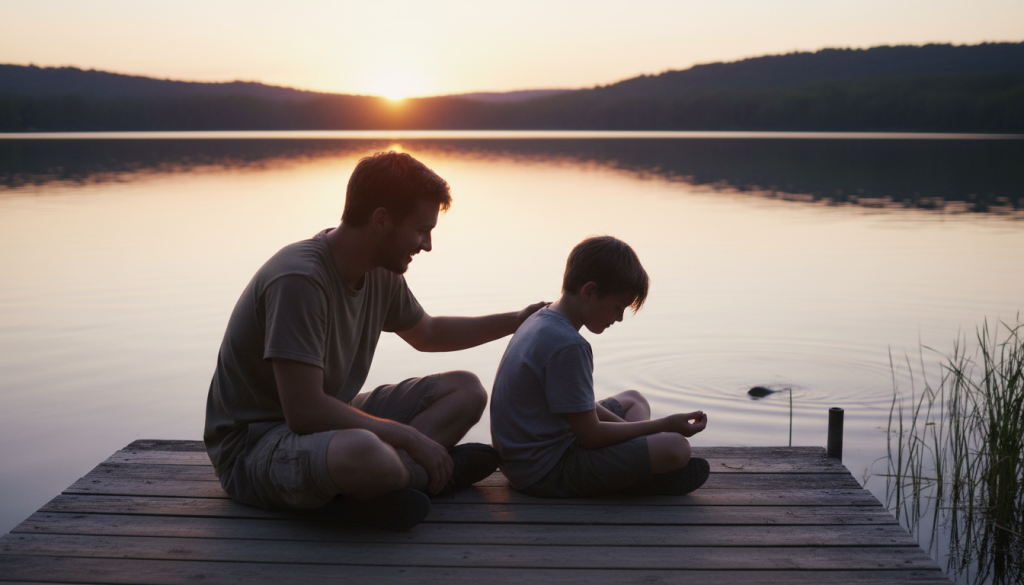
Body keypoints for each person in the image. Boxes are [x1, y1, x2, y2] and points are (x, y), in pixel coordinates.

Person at [204, 151, 546, 531]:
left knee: (466, 390)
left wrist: (516, 321)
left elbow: (427, 333)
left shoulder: (380, 270)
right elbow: (303, 411)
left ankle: (391, 480)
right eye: (421, 229)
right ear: (381, 220)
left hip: (327, 420)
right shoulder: (299, 280)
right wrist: (413, 439)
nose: (427, 244)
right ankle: (424, 475)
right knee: (366, 452)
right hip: (256, 447)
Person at [490, 236, 710, 498]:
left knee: (634, 400)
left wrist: (634, 438)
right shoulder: (569, 345)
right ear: (589, 291)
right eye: (617, 307)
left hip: (522, 462)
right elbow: (591, 437)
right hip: (545, 470)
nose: (618, 318)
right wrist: (664, 424)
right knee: (676, 447)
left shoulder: (542, 317)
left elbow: (568, 401)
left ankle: (639, 462)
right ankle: (641, 475)